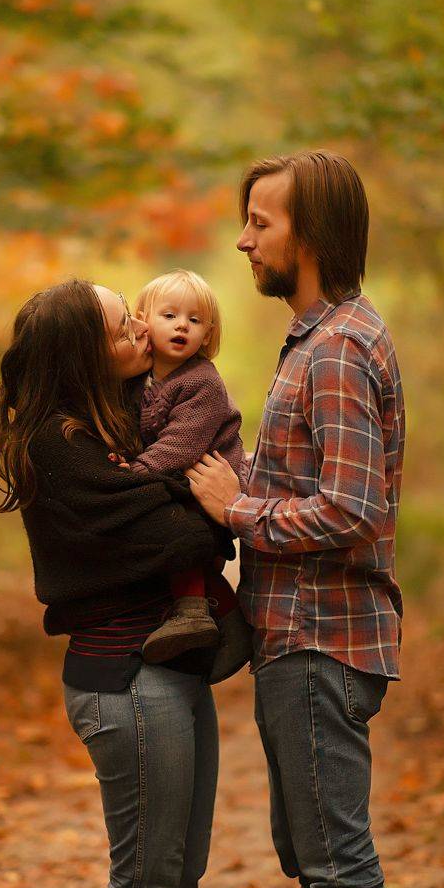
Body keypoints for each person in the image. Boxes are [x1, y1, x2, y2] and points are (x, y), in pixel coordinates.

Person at [186, 151, 405, 888]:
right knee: (310, 852)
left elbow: (353, 509)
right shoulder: (314, 340)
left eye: (260, 222)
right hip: (297, 637)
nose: (243, 240)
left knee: (334, 859)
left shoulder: (341, 351)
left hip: (323, 638)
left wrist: (239, 513)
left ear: (308, 234)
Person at [0, 278, 233, 888]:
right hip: (124, 678)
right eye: (119, 323)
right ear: (81, 353)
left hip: (168, 671)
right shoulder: (57, 443)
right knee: (144, 881)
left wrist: (204, 506)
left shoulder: (120, 425)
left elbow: (192, 511)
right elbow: (191, 532)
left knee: (176, 875)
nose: (140, 327)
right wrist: (207, 509)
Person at [126, 268, 252, 681]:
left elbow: (179, 446)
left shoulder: (202, 383)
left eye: (195, 320)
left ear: (207, 333)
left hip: (206, 483)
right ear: (142, 320)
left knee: (175, 533)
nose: (182, 325)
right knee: (170, 547)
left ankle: (196, 613)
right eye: (170, 315)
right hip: (173, 478)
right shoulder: (139, 378)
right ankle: (222, 623)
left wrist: (132, 474)